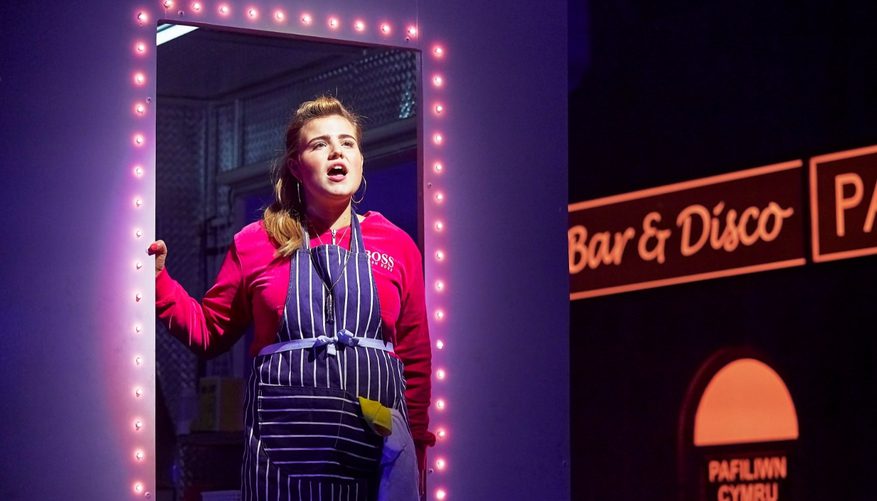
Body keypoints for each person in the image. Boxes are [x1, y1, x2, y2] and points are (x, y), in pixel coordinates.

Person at [149, 96, 434, 501]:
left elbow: (415, 359)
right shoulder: (255, 243)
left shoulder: (397, 245)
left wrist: (416, 451)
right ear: (296, 166)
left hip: (377, 459)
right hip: (282, 463)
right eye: (320, 144)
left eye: (348, 142)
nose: (337, 151)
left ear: (360, 159)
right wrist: (158, 282)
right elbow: (208, 331)